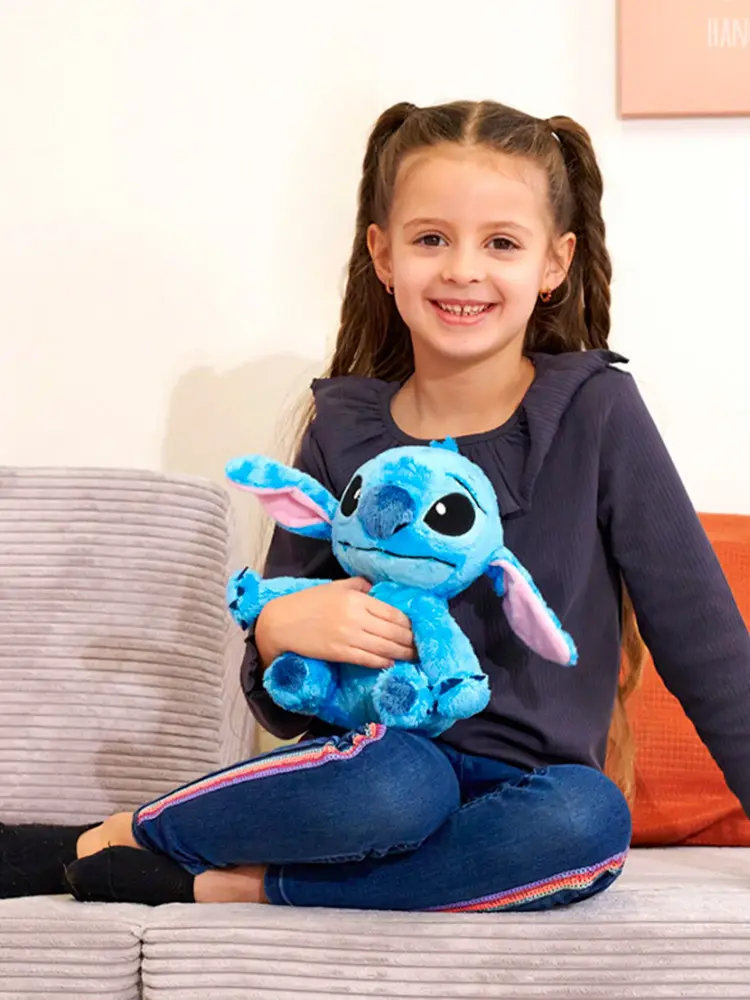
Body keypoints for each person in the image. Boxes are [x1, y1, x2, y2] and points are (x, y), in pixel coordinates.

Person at [3, 99, 748, 912]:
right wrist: (279, 628)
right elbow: (284, 694)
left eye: (501, 243)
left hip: (529, 796)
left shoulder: (598, 411)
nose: (463, 269)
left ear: (554, 263)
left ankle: (235, 888)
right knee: (400, 786)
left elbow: (705, 642)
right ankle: (115, 838)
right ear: (383, 254)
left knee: (589, 819)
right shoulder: (342, 427)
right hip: (377, 770)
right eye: (431, 239)